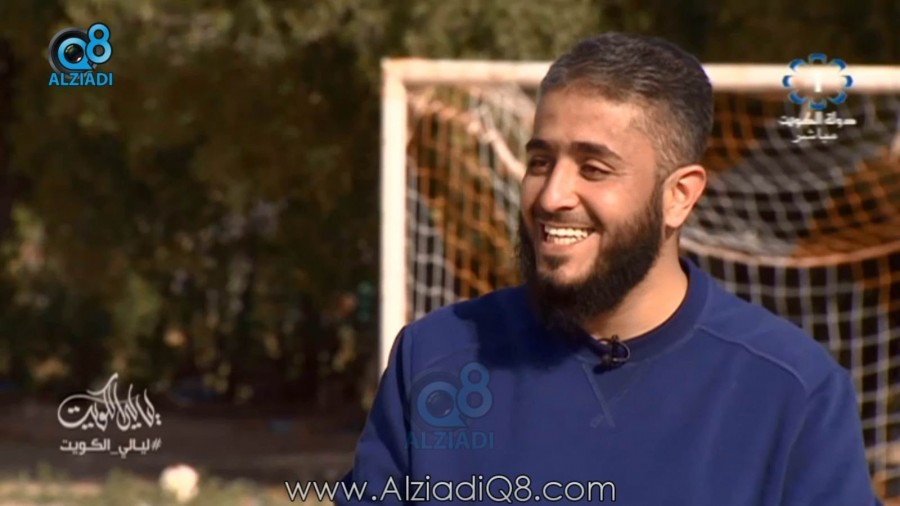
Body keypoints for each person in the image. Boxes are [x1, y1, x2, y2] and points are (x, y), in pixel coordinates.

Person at [337, 33, 881, 505]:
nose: (551, 195)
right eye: (540, 161)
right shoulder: (433, 358)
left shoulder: (792, 390)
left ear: (679, 196)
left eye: (594, 169)